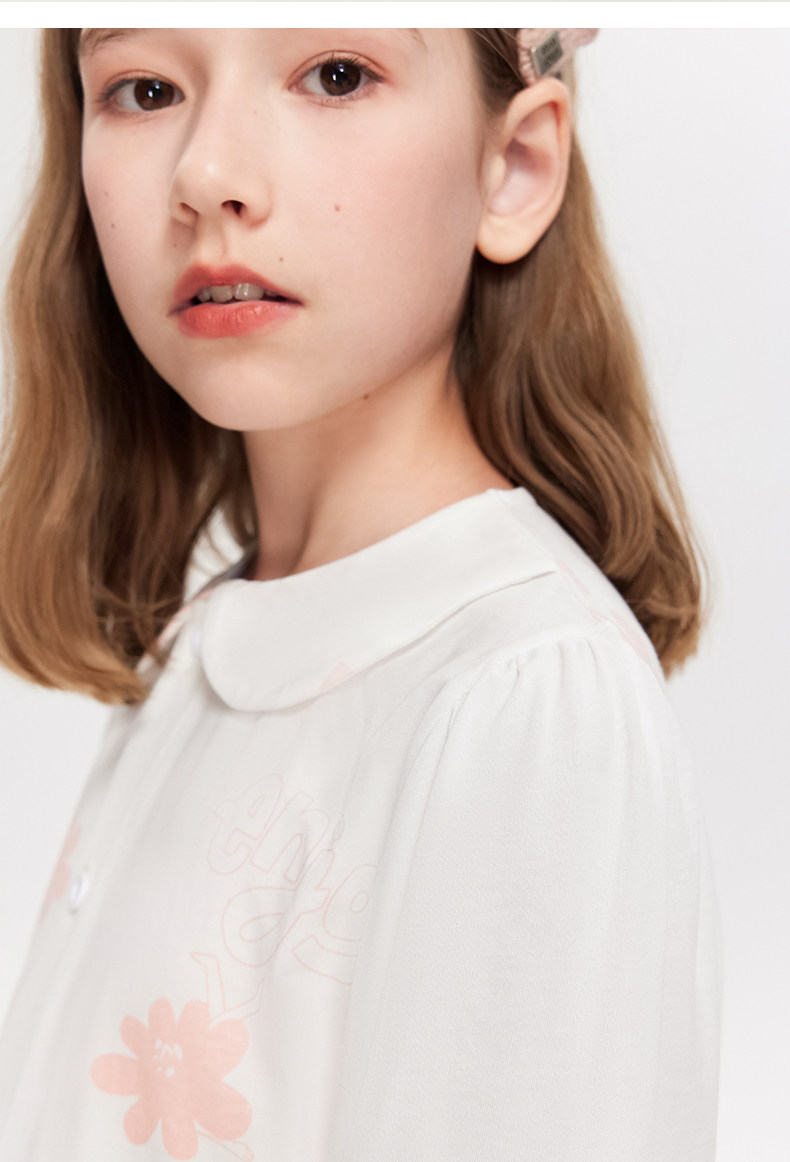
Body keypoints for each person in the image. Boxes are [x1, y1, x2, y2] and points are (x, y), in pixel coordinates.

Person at [0, 26, 722, 1162]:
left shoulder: (525, 699)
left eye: (336, 75)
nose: (208, 174)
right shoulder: (212, 639)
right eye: (144, 89)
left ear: (513, 165)